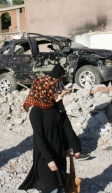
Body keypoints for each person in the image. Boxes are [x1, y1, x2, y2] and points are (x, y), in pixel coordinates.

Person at [19, 64, 82, 193]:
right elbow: (39, 138)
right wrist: (49, 160)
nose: (58, 92)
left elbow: (65, 126)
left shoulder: (54, 106)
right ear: (46, 91)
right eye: (55, 90)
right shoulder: (36, 112)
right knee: (51, 188)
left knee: (60, 186)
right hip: (45, 156)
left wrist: (74, 146)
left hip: (59, 152)